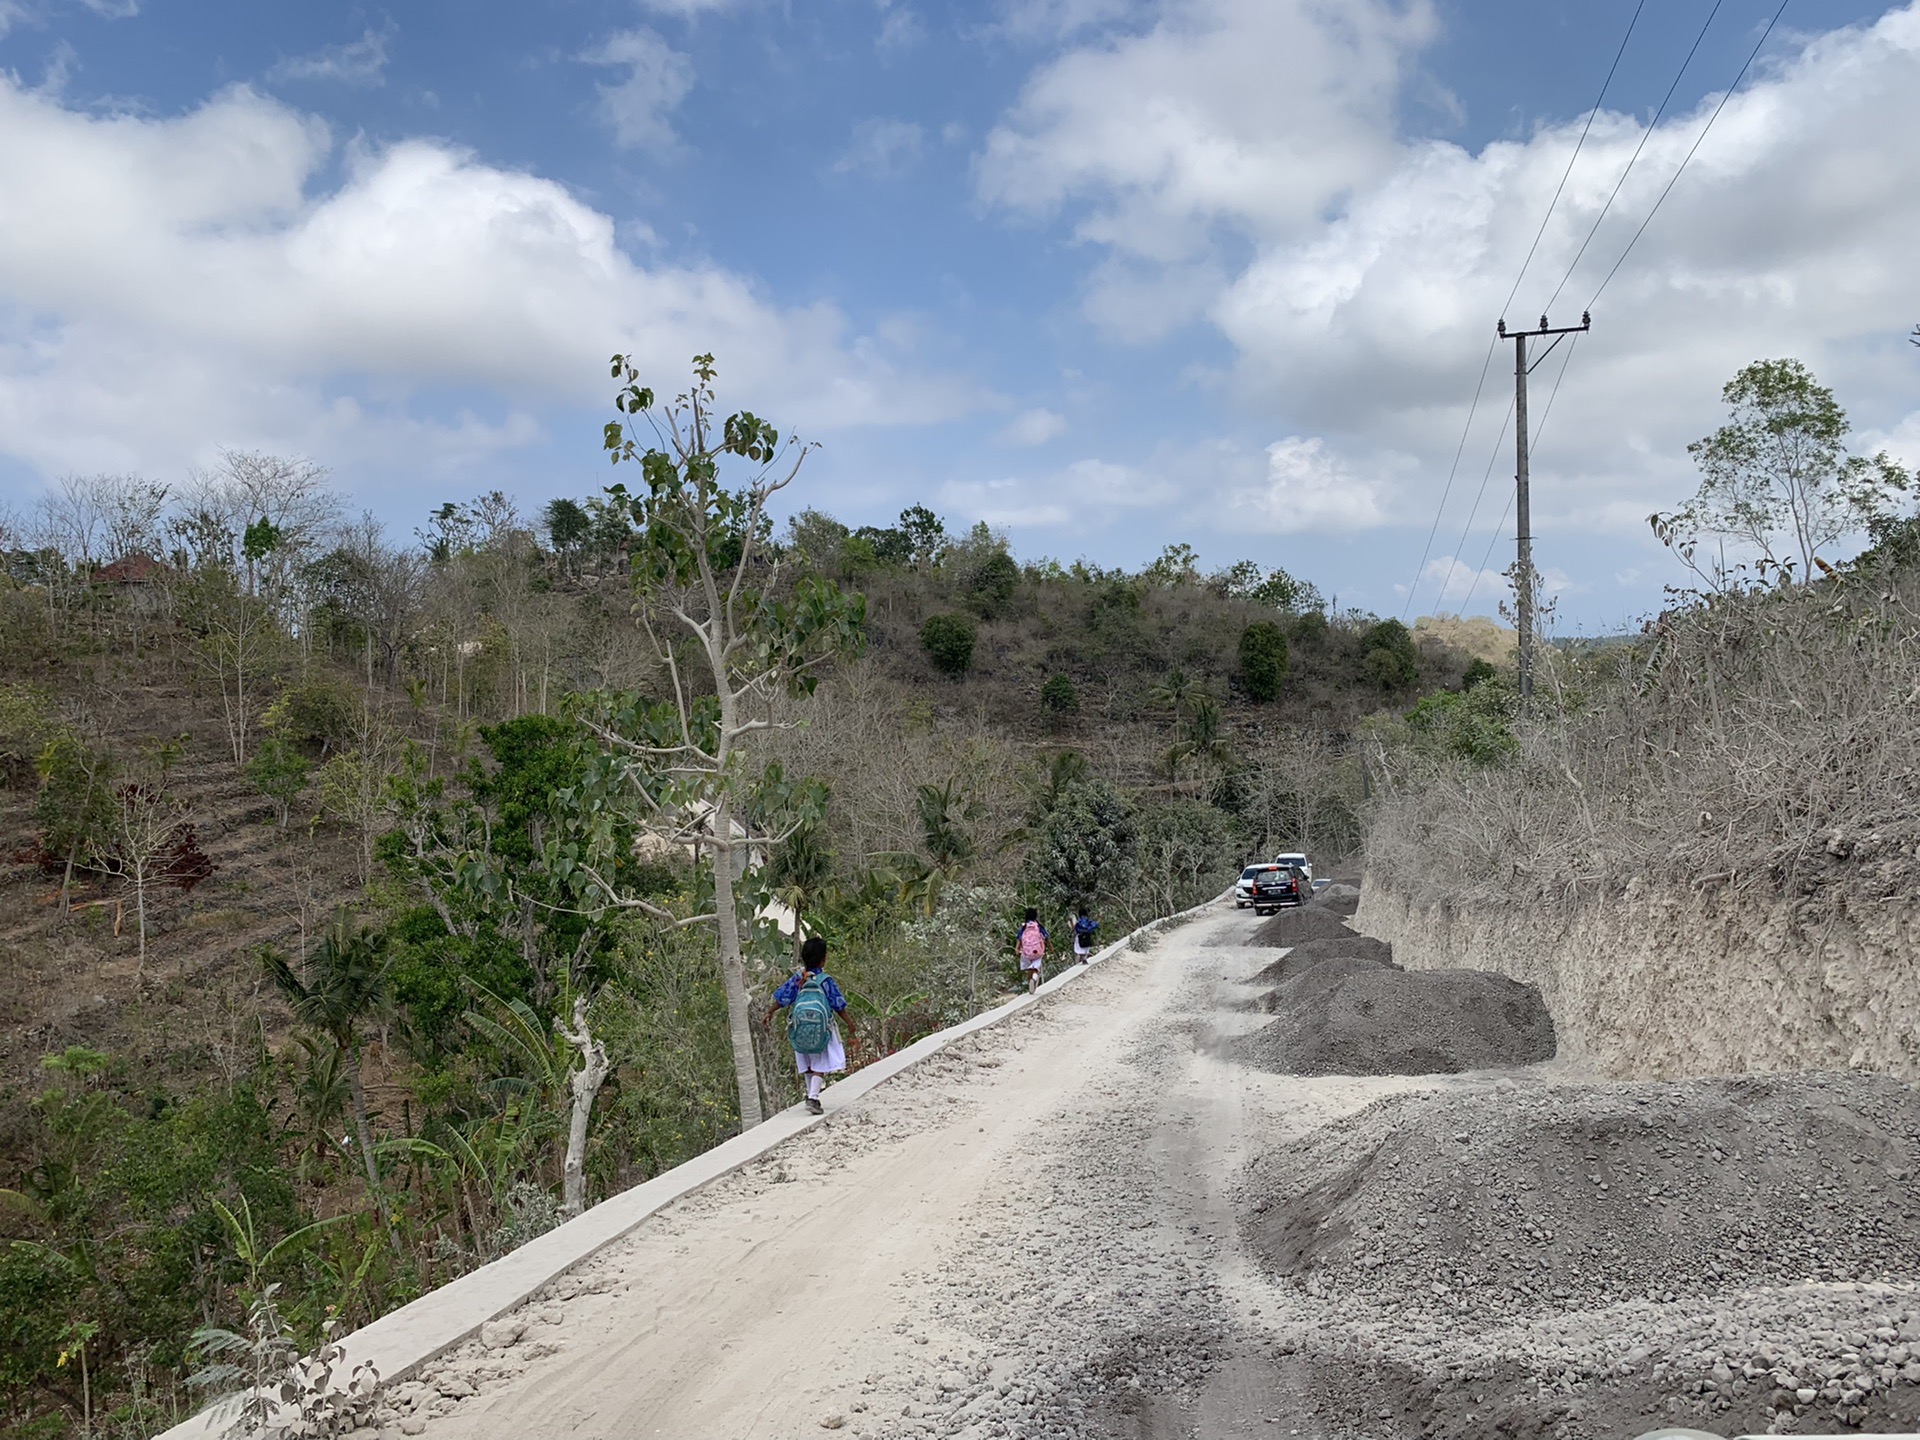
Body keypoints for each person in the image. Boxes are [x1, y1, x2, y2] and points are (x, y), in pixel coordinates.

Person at [767, 935, 850, 1114]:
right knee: (821, 1062)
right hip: (822, 1028)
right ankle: (813, 1097)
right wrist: (851, 1024)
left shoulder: (798, 979)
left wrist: (770, 1011)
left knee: (807, 1061)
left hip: (800, 1028)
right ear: (824, 959)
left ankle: (810, 1093)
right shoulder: (825, 981)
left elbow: (782, 998)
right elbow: (839, 1005)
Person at [1015, 907, 1048, 994]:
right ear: (1035, 916)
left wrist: (1017, 948)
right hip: (1038, 951)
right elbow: (1046, 937)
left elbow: (1019, 938)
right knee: (1036, 968)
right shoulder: (1039, 926)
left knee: (1029, 968)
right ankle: (1034, 978)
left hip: (1026, 952)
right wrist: (1051, 947)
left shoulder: (1024, 927)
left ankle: (1030, 983)